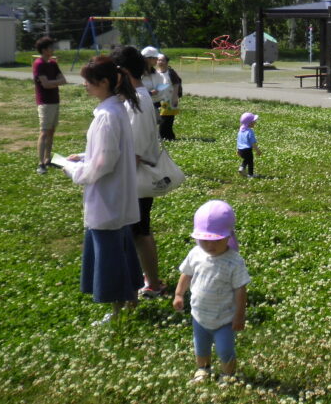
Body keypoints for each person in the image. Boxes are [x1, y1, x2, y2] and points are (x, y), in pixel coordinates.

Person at [62, 56, 143, 325]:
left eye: (89, 81)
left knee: (110, 257)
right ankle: (129, 299)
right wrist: (85, 157)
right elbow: (107, 153)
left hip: (107, 198)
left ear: (105, 82)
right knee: (120, 250)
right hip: (116, 197)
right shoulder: (115, 110)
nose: (84, 85)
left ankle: (119, 309)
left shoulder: (108, 115)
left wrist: (76, 171)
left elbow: (104, 163)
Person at [111, 46, 166, 299]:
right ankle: (151, 280)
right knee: (142, 231)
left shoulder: (137, 101)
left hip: (135, 179)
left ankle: (146, 283)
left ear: (122, 71)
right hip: (138, 177)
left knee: (138, 233)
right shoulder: (139, 97)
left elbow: (133, 152)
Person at [173, 200, 250, 384]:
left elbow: (240, 289)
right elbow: (187, 274)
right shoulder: (196, 253)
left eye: (215, 240)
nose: (209, 245)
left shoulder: (234, 261)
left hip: (224, 318)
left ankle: (228, 374)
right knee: (201, 347)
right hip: (199, 315)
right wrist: (178, 294)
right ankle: (203, 369)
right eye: (203, 240)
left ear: (228, 236)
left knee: (225, 349)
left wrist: (239, 315)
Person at [32, 36, 67, 174]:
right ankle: (41, 163)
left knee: (52, 131)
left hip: (55, 100)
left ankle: (48, 159)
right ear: (44, 50)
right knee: (44, 132)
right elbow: (45, 85)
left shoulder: (53, 63)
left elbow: (63, 79)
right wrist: (55, 82)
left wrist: (52, 82)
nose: (53, 50)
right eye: (51, 47)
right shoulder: (38, 64)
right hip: (45, 103)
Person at [155, 53, 182, 141]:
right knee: (160, 119)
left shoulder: (170, 72)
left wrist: (175, 98)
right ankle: (167, 137)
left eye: (162, 60)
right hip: (158, 99)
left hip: (169, 99)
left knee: (167, 120)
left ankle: (165, 137)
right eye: (158, 60)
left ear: (166, 62)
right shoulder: (155, 73)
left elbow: (176, 84)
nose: (160, 62)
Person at [140, 46, 165, 110]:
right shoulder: (137, 74)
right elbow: (134, 93)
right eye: (155, 58)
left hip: (156, 105)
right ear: (148, 59)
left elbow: (161, 88)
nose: (157, 59)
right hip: (142, 106)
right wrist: (150, 93)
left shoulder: (156, 73)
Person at [237, 112, 261, 178]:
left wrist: (238, 150)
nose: (255, 123)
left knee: (246, 160)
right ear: (249, 123)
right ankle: (251, 174)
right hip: (247, 150)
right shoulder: (250, 131)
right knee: (250, 162)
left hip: (241, 150)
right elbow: (253, 143)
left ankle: (241, 168)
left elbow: (239, 140)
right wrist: (257, 150)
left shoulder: (241, 130)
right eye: (254, 121)